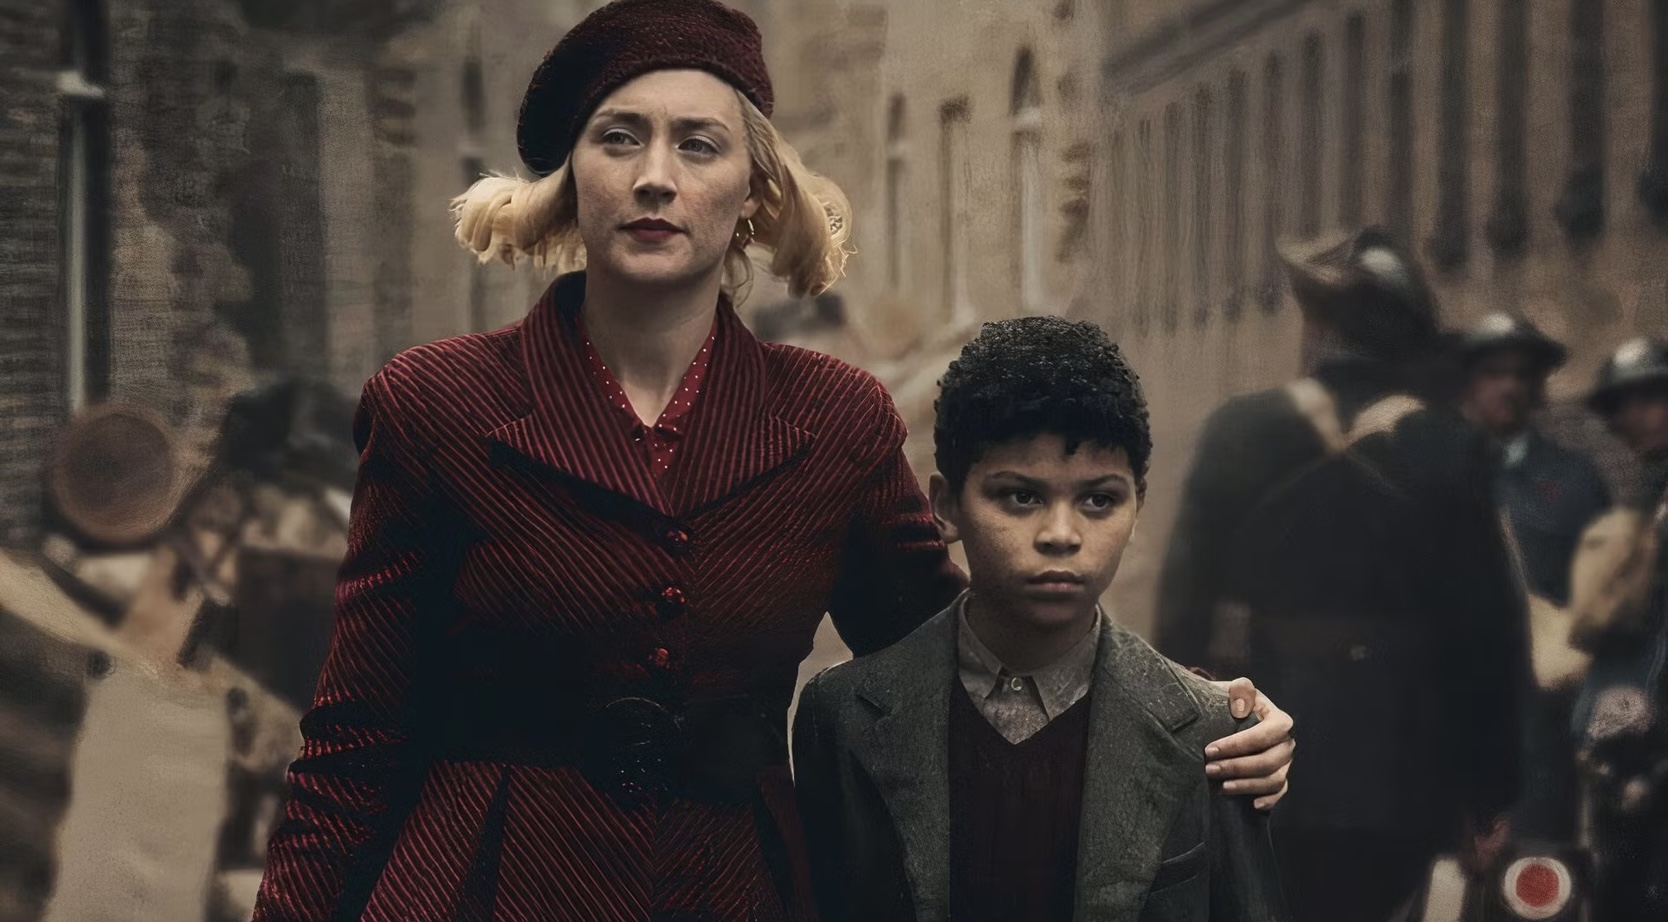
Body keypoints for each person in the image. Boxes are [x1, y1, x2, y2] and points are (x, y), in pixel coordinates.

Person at [251, 2, 1297, 920]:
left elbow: (964, 646)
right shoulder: (437, 403)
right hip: (483, 885)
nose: (655, 177)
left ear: (754, 189)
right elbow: (354, 735)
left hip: (734, 886)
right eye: (619, 138)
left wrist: (1204, 714)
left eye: (698, 145)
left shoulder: (833, 419)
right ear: (572, 177)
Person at [793, 317, 1288, 922]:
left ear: (1136, 510)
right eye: (1021, 496)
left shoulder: (1213, 732)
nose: (1060, 534)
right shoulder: (840, 716)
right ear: (945, 507)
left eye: (1099, 499)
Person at [1153, 228, 1528, 922]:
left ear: (1319, 325)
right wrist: (1489, 788)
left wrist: (1175, 760)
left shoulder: (1240, 430)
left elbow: (1182, 616)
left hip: (1257, 752)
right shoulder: (1449, 445)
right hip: (1406, 768)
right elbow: (1484, 635)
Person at [1453, 312, 1609, 844]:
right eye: (1494, 373)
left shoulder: (1575, 480)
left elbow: (1604, 600)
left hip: (1538, 717)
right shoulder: (1437, 473)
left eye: (1523, 374)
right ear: (1469, 384)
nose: (1511, 387)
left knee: (1536, 865)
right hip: (1449, 711)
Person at [1574, 337, 1668, 920]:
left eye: (1649, 399)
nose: (1632, 418)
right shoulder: (1649, 497)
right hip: (1631, 749)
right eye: (1621, 406)